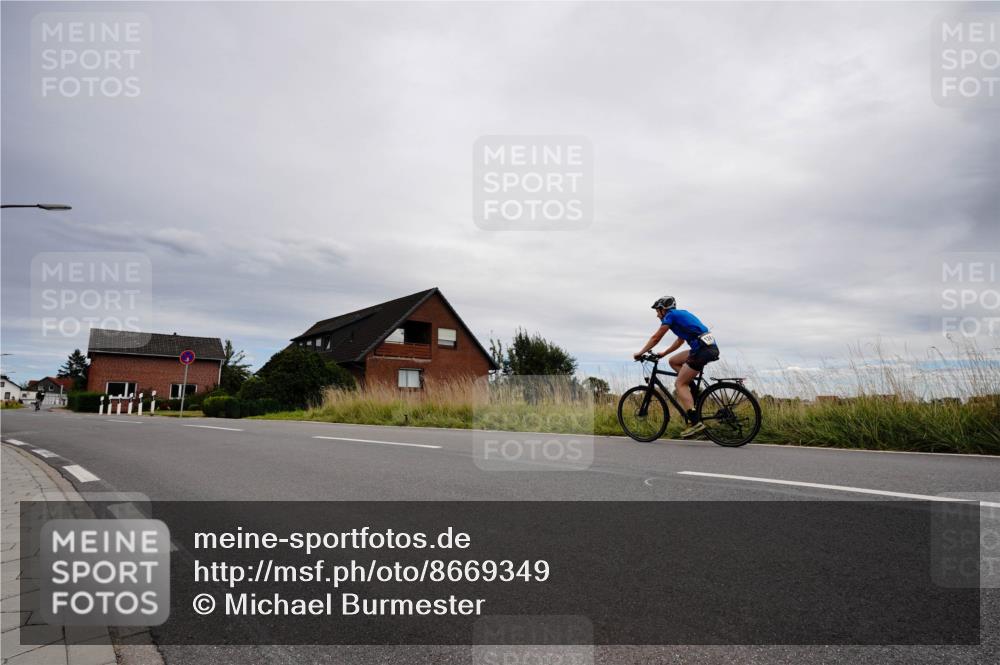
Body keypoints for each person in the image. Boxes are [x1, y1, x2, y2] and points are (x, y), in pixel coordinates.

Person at [633, 296, 720, 438]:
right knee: (673, 361)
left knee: (680, 384)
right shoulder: (681, 315)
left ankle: (695, 422)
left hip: (701, 351)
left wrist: (640, 353)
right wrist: (664, 353)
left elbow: (656, 338)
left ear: (664, 309)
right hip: (707, 348)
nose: (657, 315)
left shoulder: (671, 315)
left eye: (658, 311)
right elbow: (680, 341)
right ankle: (692, 386)